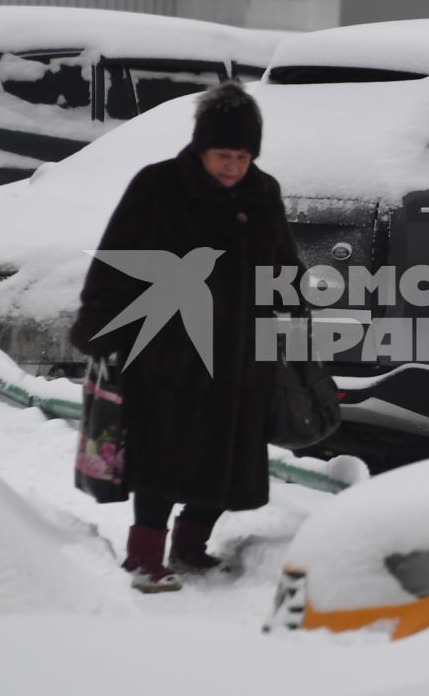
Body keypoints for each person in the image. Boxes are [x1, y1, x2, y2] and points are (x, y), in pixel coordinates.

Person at [70, 81, 299, 592]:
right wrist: (99, 324)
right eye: (223, 155)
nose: (233, 167)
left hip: (241, 356)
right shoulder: (158, 186)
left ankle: (191, 547)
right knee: (162, 456)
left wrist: (298, 310)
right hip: (167, 351)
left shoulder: (263, 193)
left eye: (242, 156)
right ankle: (144, 556)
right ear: (201, 147)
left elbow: (284, 264)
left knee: (229, 455)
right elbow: (117, 258)